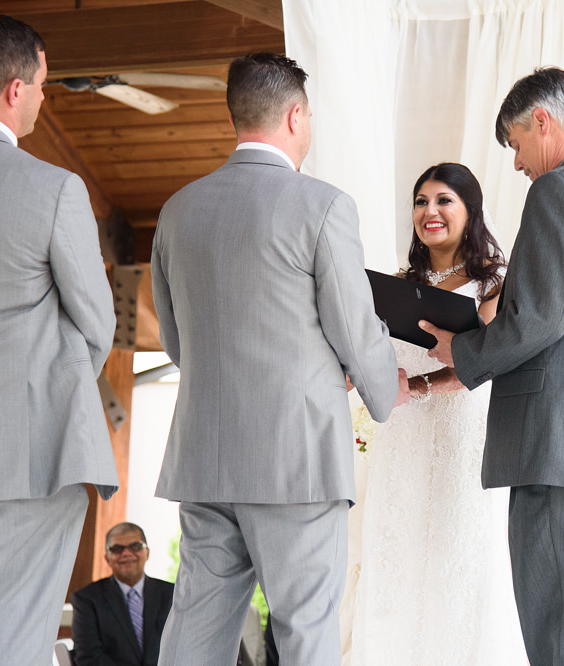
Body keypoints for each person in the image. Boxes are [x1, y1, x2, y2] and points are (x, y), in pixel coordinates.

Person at [151, 52, 406, 666]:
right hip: (295, 463)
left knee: (195, 633)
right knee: (305, 634)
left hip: (206, 456)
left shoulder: (178, 209)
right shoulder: (322, 206)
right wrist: (385, 391)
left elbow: (177, 341)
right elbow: (352, 324)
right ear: (295, 116)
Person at [420, 67, 564, 665]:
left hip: (563, 452)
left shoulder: (559, 189)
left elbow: (543, 317)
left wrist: (462, 350)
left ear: (543, 122)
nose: (519, 161)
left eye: (517, 143)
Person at [0, 14, 118, 666]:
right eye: (41, 83)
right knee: (8, 647)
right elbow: (97, 324)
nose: (43, 96)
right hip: (30, 454)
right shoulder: (52, 188)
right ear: (15, 88)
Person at [349, 163, 527, 665]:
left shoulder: (495, 284)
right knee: (397, 564)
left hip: (462, 443)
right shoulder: (397, 286)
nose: (430, 211)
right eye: (421, 201)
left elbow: (486, 366)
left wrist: (419, 386)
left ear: (470, 210)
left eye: (444, 200)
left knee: (459, 566)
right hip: (402, 443)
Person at [71, 522, 174, 666]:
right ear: (107, 558)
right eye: (117, 549)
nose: (126, 553)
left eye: (135, 547)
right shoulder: (86, 600)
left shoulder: (172, 595)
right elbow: (89, 657)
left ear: (147, 553)